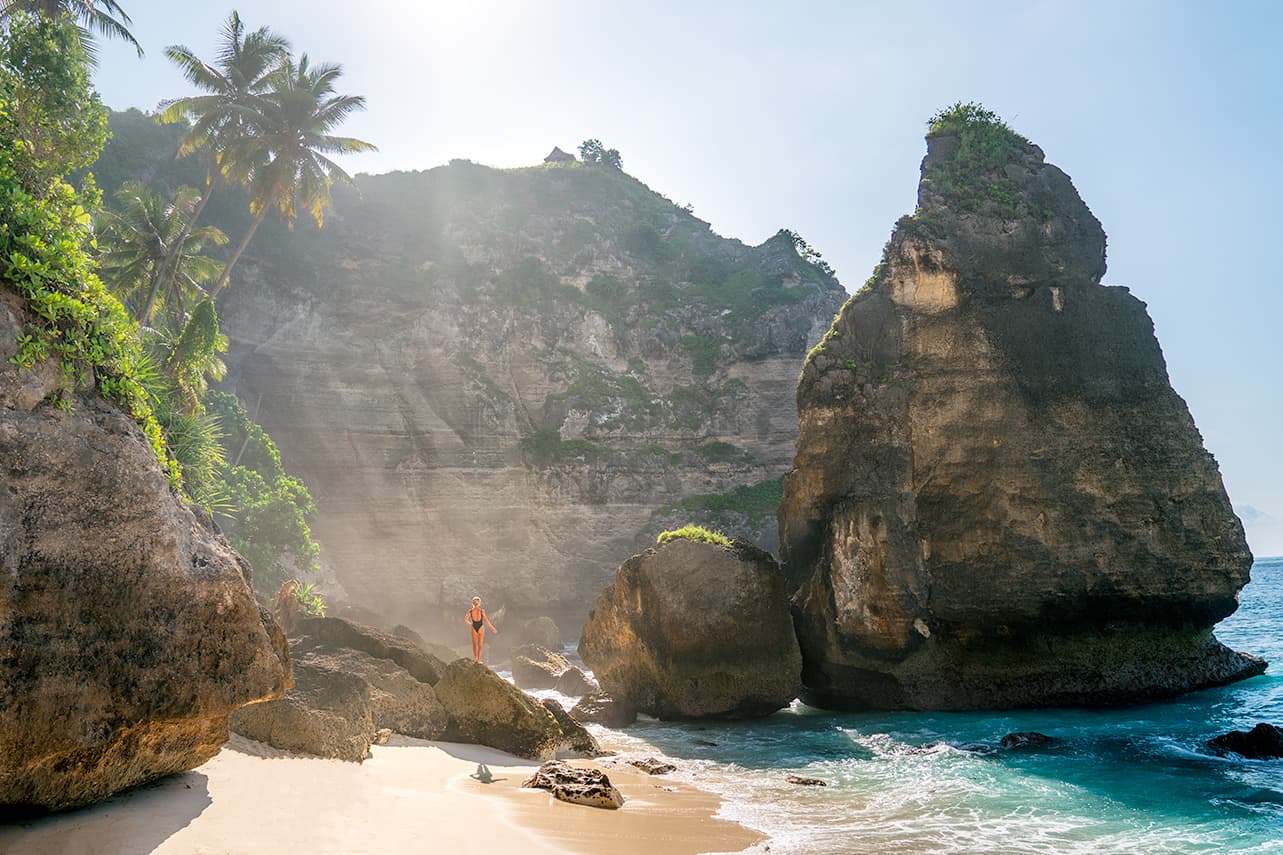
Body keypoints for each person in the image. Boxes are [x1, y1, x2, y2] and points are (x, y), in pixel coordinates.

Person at [465, 596, 498, 663]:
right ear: (479, 603)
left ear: (473, 603)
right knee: (480, 645)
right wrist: (492, 628)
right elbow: (486, 621)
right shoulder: (481, 611)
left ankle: (476, 658)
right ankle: (479, 660)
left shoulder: (470, 611)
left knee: (475, 645)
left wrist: (471, 624)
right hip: (481, 627)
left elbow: (465, 619)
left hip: (474, 627)